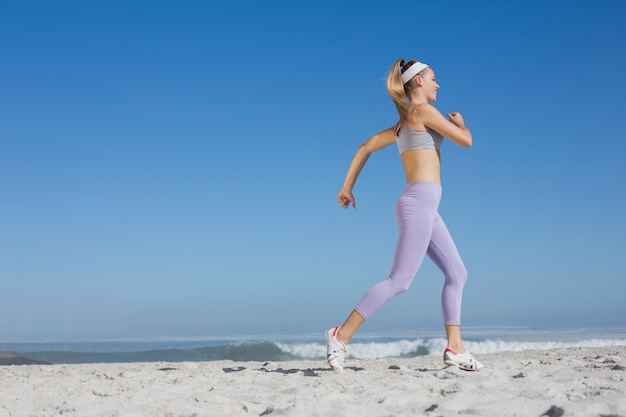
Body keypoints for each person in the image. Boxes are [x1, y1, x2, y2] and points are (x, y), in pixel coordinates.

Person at [325, 58, 483, 373]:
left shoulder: (401, 124)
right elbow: (465, 141)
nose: (438, 84)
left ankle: (456, 348)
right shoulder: (424, 112)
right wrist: (462, 123)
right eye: (434, 78)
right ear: (418, 82)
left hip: (423, 205)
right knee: (400, 281)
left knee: (457, 274)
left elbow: (367, 145)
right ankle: (340, 336)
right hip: (418, 203)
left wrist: (347, 187)